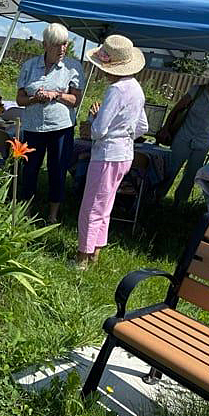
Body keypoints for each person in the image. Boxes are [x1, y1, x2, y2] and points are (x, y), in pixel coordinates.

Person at [75, 35, 148, 269]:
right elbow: (143, 127)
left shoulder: (115, 90)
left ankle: (82, 258)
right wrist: (125, 134)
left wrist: (92, 116)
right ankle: (95, 251)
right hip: (125, 154)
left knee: (91, 207)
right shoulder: (136, 88)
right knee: (105, 205)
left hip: (107, 154)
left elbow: (98, 130)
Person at [16, 23, 85, 224]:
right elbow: (20, 99)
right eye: (57, 45)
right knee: (29, 170)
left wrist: (56, 95)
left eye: (64, 44)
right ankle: (26, 211)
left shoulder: (73, 67)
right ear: (45, 45)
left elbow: (75, 100)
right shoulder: (29, 66)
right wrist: (35, 99)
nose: (62, 49)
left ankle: (53, 215)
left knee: (57, 170)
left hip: (60, 128)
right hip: (33, 127)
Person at [156, 62, 209, 205]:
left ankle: (179, 204)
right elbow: (176, 109)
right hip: (184, 136)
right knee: (170, 170)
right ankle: (157, 198)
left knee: (191, 175)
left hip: (203, 142)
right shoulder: (197, 90)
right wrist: (166, 128)